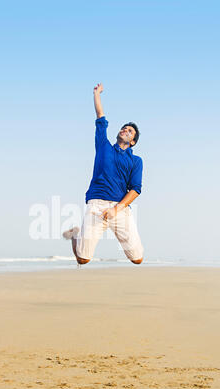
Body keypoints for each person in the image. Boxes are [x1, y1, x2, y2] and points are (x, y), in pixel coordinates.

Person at [63, 82, 144, 266]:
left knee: (137, 259)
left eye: (130, 131)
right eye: (124, 128)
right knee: (83, 259)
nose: (125, 130)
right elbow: (100, 116)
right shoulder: (103, 145)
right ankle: (76, 235)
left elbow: (135, 190)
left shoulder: (136, 161)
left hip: (120, 209)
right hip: (97, 205)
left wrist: (116, 209)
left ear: (133, 142)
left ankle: (86, 232)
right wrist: (97, 94)